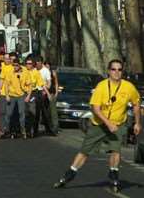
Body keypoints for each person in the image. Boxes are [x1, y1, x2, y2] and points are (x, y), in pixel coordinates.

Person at [53, 60, 142, 193]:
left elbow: (136, 104)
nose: (116, 72)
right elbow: (95, 109)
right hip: (99, 124)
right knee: (85, 151)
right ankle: (70, 174)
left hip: (118, 124)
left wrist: (137, 122)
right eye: (113, 69)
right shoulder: (101, 86)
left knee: (115, 150)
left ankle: (114, 174)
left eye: (119, 70)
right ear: (108, 71)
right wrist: (108, 123)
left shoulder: (129, 87)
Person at [4, 59, 32, 139]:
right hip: (12, 95)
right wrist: (7, 96)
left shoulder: (25, 72)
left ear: (20, 65)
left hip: (21, 95)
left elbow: (30, 85)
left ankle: (23, 131)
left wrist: (28, 96)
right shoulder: (10, 73)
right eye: (14, 65)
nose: (15, 67)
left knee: (21, 113)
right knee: (9, 114)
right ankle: (8, 130)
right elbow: (6, 85)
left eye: (16, 65)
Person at [34, 56, 53, 136]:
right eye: (36, 63)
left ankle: (48, 129)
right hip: (35, 92)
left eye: (39, 63)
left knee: (45, 112)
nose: (37, 65)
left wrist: (46, 91)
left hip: (43, 92)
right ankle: (35, 130)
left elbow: (49, 83)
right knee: (36, 113)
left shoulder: (46, 71)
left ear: (42, 63)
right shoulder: (34, 70)